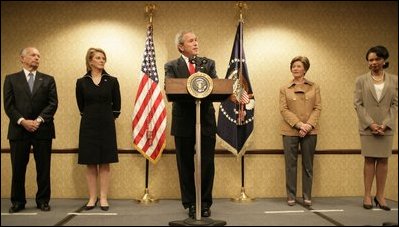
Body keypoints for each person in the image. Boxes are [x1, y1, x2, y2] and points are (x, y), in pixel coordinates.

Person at [164, 31, 217, 218]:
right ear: (181, 46)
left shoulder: (208, 64)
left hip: (206, 121)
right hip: (183, 122)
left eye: (197, 39)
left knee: (207, 164)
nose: (196, 43)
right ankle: (190, 204)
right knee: (185, 164)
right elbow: (170, 87)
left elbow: (216, 87)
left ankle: (204, 203)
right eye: (191, 40)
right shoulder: (171, 65)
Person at [3, 47, 58, 213]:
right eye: (33, 55)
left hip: (43, 130)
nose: (37, 58)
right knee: (18, 168)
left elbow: (53, 104)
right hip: (19, 131)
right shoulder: (11, 79)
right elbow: (8, 105)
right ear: (22, 58)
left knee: (43, 168)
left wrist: (38, 121)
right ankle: (18, 201)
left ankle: (43, 200)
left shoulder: (48, 80)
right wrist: (23, 121)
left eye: (38, 56)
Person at [75, 47, 121, 211]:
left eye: (103, 58)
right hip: (88, 126)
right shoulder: (81, 82)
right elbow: (81, 106)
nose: (102, 60)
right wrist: (92, 117)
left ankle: (103, 197)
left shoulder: (113, 80)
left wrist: (106, 119)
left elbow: (117, 108)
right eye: (98, 58)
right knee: (90, 163)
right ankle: (92, 197)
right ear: (90, 61)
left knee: (104, 162)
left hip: (107, 126)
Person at [354, 45, 397, 211]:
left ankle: (380, 195)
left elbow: (396, 104)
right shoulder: (360, 80)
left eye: (377, 59)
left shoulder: (394, 80)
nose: (373, 62)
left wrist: (385, 124)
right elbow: (358, 104)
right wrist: (371, 123)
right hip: (367, 127)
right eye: (370, 60)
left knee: (384, 160)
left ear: (384, 60)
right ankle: (367, 195)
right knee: (369, 159)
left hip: (387, 127)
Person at [279, 56, 321, 207]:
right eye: (293, 66)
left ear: (305, 69)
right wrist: (299, 125)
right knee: (290, 165)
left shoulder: (314, 87)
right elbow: (283, 109)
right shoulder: (284, 88)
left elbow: (317, 107)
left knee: (308, 165)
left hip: (310, 131)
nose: (295, 68)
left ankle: (307, 196)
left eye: (298, 66)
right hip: (290, 130)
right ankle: (291, 195)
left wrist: (308, 125)